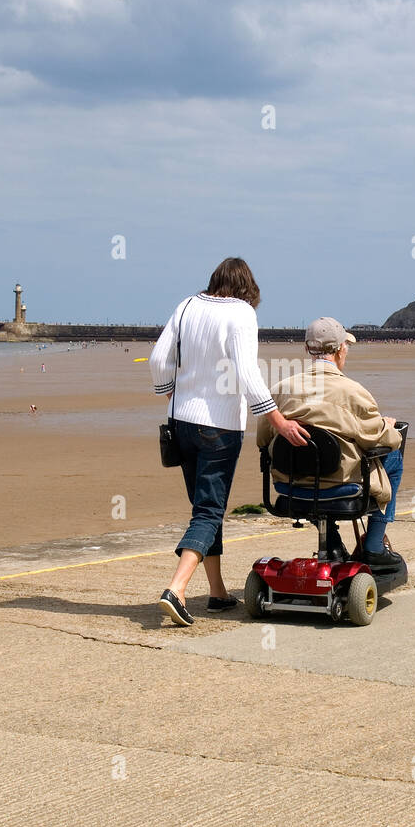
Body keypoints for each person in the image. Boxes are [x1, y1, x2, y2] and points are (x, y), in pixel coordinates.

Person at [150, 258, 308, 627]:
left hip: (181, 421)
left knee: (206, 507)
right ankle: (176, 589)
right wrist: (278, 421)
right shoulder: (242, 314)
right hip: (219, 426)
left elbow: (159, 357)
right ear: (248, 287)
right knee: (208, 510)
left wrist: (169, 392)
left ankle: (218, 593)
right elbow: (247, 372)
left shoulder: (186, 305)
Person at [256, 317, 405, 570]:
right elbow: (385, 440)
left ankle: (332, 541)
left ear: (307, 349)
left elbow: (263, 439)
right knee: (393, 458)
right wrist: (388, 427)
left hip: (290, 485)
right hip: (341, 485)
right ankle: (374, 545)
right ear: (340, 349)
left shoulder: (281, 389)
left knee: (309, 465)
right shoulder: (353, 391)